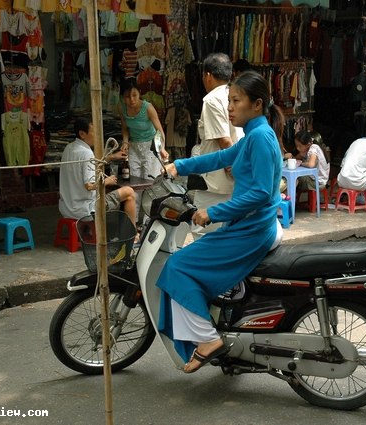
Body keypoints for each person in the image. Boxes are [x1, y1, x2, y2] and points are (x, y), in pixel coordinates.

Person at [157, 71, 285, 373]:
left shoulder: (261, 138)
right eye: (229, 101)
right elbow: (219, 158)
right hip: (247, 225)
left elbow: (261, 193)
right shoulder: (253, 135)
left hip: (252, 229)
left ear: (256, 104)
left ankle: (207, 339)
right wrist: (179, 165)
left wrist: (213, 213)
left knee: (177, 266)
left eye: (236, 101)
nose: (230, 107)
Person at [192, 53, 243, 240]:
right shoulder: (235, 95)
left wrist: (232, 168)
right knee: (228, 232)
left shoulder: (212, 100)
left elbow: (224, 140)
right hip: (234, 177)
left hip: (216, 181)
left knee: (203, 231)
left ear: (208, 75)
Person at [59, 117, 137, 226]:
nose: (98, 135)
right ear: (82, 134)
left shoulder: (69, 148)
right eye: (94, 132)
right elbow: (90, 186)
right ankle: (133, 234)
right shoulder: (86, 153)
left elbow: (88, 164)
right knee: (129, 192)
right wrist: (107, 181)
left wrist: (112, 157)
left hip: (67, 208)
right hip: (85, 210)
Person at [119, 78, 169, 181]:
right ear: (122, 97)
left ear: (140, 93)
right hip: (134, 147)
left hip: (150, 147)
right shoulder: (121, 107)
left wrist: (162, 148)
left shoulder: (148, 108)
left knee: (149, 180)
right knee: (133, 180)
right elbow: (124, 128)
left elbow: (160, 131)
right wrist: (125, 142)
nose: (132, 99)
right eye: (127, 97)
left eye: (134, 95)